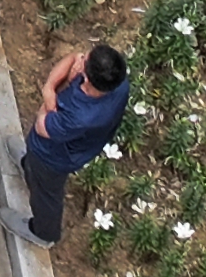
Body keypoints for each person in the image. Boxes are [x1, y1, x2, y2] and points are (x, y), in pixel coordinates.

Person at [19, 40, 133, 244]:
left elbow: (42, 126)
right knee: (32, 167)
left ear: (87, 76)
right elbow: (72, 58)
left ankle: (43, 233)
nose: (81, 56)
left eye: (85, 59)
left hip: (52, 157)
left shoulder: (82, 116)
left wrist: (51, 96)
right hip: (55, 141)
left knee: (47, 195)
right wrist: (49, 88)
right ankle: (27, 166)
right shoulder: (118, 82)